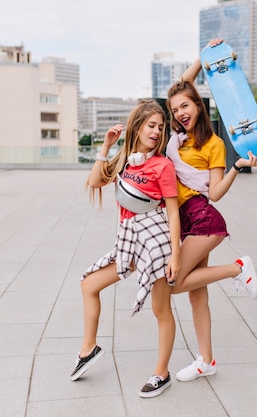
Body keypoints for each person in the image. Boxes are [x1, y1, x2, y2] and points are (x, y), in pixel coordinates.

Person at [165, 39, 257, 382]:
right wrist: (205, 58)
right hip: (184, 221)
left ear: (199, 104)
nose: (180, 112)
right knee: (196, 295)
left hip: (203, 220)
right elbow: (182, 82)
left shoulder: (214, 144)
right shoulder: (177, 140)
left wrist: (238, 166)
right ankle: (206, 360)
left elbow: (216, 193)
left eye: (186, 106)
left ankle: (239, 268)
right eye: (175, 108)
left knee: (174, 283)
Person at [70, 99, 181, 399]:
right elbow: (94, 181)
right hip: (129, 243)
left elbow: (172, 212)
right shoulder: (124, 161)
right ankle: (89, 349)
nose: (157, 131)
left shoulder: (163, 166)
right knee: (88, 285)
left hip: (155, 243)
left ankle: (162, 374)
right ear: (137, 126)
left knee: (161, 310)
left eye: (161, 127)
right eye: (151, 125)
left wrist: (176, 255)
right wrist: (106, 146)